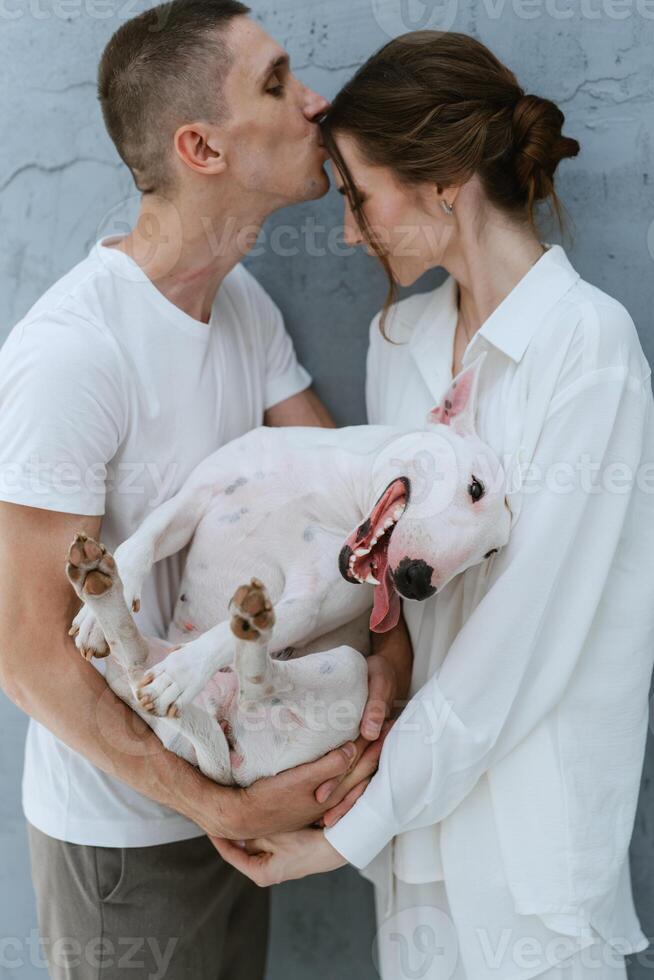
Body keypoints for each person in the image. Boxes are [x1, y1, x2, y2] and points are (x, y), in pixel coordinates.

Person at [214, 30, 654, 980]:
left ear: (445, 180)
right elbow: (403, 596)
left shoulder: (589, 352)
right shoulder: (401, 339)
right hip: (416, 848)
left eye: (357, 194)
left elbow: (523, 636)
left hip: (529, 854)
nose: (346, 231)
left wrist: (340, 839)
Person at [0, 4, 413, 978]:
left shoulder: (241, 305)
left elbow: (350, 509)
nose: (315, 102)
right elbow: (24, 653)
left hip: (239, 798)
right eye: (275, 83)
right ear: (201, 146)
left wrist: (390, 660)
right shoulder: (72, 356)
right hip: (126, 842)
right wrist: (215, 806)